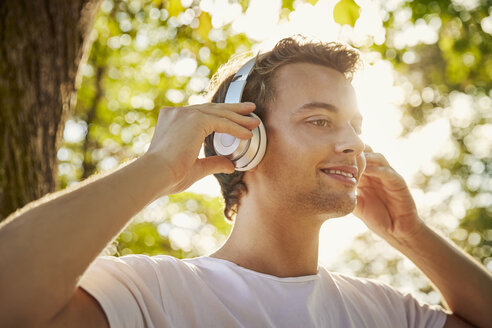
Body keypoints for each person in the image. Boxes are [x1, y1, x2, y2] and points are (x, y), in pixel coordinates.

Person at [0, 36, 491, 328]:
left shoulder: (382, 310)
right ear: (241, 141)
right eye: (320, 121)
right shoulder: (153, 293)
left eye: (356, 127)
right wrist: (157, 168)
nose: (354, 145)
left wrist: (411, 234)